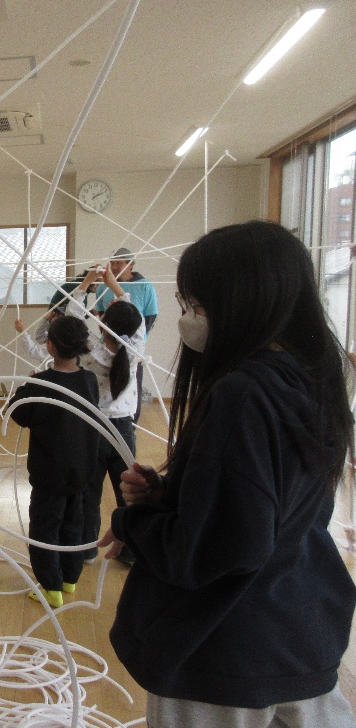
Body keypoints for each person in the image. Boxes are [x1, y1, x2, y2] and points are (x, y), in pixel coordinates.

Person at [100, 221, 356, 727]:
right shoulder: (312, 379)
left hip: (222, 648)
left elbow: (217, 549)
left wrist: (135, 522)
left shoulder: (243, 394)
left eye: (196, 305)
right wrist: (174, 496)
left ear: (242, 302)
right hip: (300, 628)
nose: (187, 319)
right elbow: (274, 507)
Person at [9, 316, 99, 608]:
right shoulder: (89, 380)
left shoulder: (42, 383)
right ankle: (70, 579)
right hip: (81, 471)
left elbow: (18, 412)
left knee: (45, 527)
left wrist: (27, 386)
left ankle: (51, 587)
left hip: (50, 473)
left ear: (50, 346)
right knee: (74, 523)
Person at [70, 266, 144, 565]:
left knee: (89, 492)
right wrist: (115, 286)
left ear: (103, 325)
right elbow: (136, 320)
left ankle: (87, 548)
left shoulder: (91, 351)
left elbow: (73, 320)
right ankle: (129, 551)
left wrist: (87, 284)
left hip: (93, 429)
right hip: (123, 430)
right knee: (128, 493)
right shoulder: (136, 349)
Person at [93, 248, 158, 422]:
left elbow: (149, 319)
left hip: (132, 351)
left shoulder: (144, 286)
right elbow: (101, 315)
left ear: (131, 265)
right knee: (103, 394)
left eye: (119, 263)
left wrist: (132, 341)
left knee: (130, 395)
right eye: (112, 263)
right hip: (106, 348)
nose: (114, 267)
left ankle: (130, 427)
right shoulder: (102, 288)